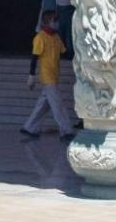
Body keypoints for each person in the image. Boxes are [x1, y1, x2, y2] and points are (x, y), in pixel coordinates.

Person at [20, 9, 75, 139]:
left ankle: (29, 128)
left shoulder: (56, 37)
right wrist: (31, 76)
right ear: (49, 21)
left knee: (43, 105)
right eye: (55, 20)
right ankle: (66, 131)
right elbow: (34, 57)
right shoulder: (40, 37)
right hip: (47, 76)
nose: (57, 23)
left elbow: (64, 52)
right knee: (58, 105)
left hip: (55, 76)